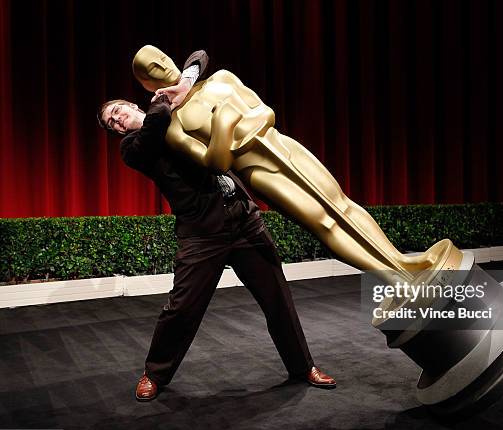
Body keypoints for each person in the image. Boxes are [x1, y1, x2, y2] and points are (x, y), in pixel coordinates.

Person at [97, 49, 336, 402]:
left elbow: (200, 56)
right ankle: (155, 373)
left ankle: (303, 367)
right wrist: (167, 96)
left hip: (243, 221)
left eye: (118, 111)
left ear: (132, 105)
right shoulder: (134, 147)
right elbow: (155, 127)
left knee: (278, 299)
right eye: (111, 124)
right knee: (181, 308)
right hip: (201, 234)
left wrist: (185, 81)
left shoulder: (182, 104)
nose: (117, 121)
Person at [129, 45, 464, 293]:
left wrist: (242, 123)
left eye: (159, 56)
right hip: (256, 168)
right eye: (150, 67)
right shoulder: (174, 125)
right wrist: (226, 126)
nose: (160, 64)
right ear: (146, 84)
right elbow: (217, 163)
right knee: (323, 222)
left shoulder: (221, 79)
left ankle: (402, 262)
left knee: (341, 203)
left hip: (283, 145)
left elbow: (265, 112)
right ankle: (392, 278)